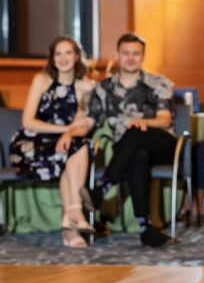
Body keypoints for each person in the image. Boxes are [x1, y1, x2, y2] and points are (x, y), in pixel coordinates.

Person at [80, 32, 175, 247]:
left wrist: (144, 124)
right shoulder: (104, 89)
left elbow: (165, 120)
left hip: (161, 144)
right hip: (127, 151)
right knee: (137, 156)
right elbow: (90, 120)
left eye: (136, 53)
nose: (131, 58)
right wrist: (70, 129)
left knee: (134, 131)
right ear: (118, 55)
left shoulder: (157, 83)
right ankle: (146, 229)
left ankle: (101, 190)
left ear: (142, 56)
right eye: (126, 53)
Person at [11, 35, 95, 248]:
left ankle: (72, 219)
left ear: (76, 57)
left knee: (78, 146)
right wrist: (64, 130)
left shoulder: (85, 87)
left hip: (66, 142)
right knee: (71, 150)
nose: (63, 58)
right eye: (58, 53)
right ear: (52, 58)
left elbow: (83, 125)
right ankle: (73, 219)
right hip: (33, 142)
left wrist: (69, 133)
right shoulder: (41, 80)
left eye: (68, 52)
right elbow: (28, 121)